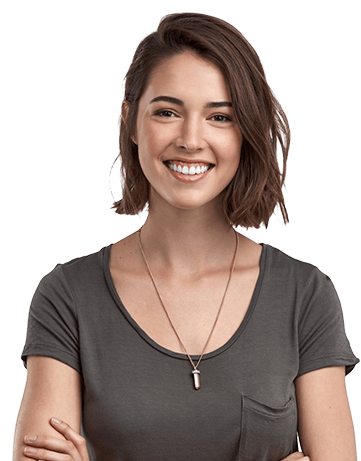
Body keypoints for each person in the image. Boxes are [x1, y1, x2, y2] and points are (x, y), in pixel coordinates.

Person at [13, 12, 358, 461]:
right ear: (132, 122)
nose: (191, 139)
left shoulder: (305, 295)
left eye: (220, 117)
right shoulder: (67, 296)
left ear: (246, 134)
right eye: (167, 112)